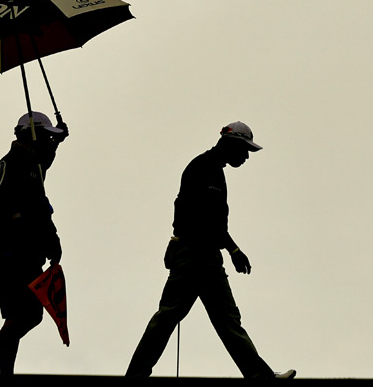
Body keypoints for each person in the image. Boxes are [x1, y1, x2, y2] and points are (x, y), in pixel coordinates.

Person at [125, 122, 295, 379]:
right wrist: (233, 249)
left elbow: (209, 221)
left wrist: (227, 249)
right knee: (170, 316)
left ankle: (261, 378)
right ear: (231, 144)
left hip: (205, 257)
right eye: (244, 150)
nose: (246, 157)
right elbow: (205, 220)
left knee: (226, 322)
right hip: (193, 255)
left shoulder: (213, 169)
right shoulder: (203, 168)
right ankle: (135, 376)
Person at [0, 111, 68, 376]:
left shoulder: (13, 160)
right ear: (32, 135)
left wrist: (56, 143)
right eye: (45, 136)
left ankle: (5, 374)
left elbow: (42, 163)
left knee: (15, 314)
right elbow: (39, 209)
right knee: (31, 314)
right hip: (16, 248)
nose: (48, 141)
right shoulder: (25, 164)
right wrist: (53, 243)